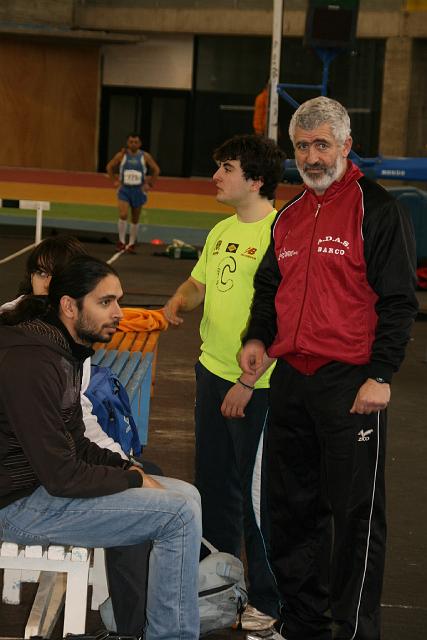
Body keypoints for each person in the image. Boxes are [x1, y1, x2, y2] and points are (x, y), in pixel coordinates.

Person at [240, 96, 419, 640]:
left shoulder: (378, 209)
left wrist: (381, 374)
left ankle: (354, 631)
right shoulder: (289, 216)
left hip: (351, 383)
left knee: (355, 518)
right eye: (301, 146)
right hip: (293, 379)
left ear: (345, 145)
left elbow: (398, 300)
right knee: (289, 509)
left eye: (322, 144)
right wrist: (256, 336)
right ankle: (303, 624)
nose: (312, 157)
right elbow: (270, 286)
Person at [0, 256, 201, 640]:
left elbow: (76, 440)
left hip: (37, 489)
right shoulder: (32, 363)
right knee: (177, 514)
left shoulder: (63, 351)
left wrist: (131, 470)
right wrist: (129, 482)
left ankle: (161, 629)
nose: (119, 313)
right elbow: (62, 476)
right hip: (14, 505)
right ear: (69, 306)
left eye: (118, 301)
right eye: (105, 302)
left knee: (186, 495)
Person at [164, 134, 285, 632]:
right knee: (213, 487)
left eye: (226, 167)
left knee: (259, 498)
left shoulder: (284, 233)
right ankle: (220, 585)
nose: (216, 176)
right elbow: (200, 282)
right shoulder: (221, 231)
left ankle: (268, 600)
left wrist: (249, 382)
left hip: (257, 386)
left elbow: (287, 317)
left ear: (255, 180)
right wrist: (178, 300)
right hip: (211, 374)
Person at [106, 133, 160, 254]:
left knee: (135, 218)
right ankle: (121, 241)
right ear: (127, 143)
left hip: (138, 190)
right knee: (123, 214)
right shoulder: (121, 155)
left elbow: (156, 170)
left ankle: (131, 243)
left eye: (136, 142)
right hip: (124, 189)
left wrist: (149, 184)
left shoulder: (144, 156)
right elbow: (109, 167)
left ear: (139, 144)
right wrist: (115, 181)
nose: (133, 144)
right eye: (131, 142)